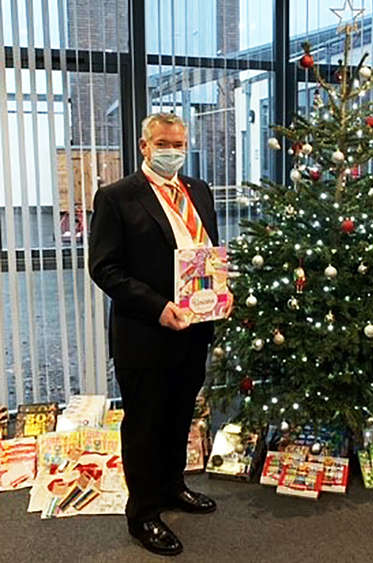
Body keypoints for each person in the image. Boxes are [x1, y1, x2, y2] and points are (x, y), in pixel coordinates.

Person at [89, 113, 228, 556]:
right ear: (145, 146)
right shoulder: (116, 197)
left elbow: (205, 255)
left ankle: (172, 488)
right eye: (164, 143)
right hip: (145, 332)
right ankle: (143, 514)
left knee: (180, 414)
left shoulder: (199, 191)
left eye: (180, 143)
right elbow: (105, 268)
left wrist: (219, 292)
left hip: (193, 329)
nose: (174, 151)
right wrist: (158, 307)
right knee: (146, 422)